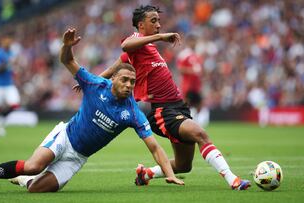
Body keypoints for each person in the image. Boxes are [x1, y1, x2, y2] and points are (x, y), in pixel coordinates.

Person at [0, 28, 184, 193]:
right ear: (114, 78)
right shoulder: (95, 84)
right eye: (124, 80)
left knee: (36, 189)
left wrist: (170, 174)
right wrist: (66, 46)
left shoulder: (133, 112)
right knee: (34, 165)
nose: (128, 85)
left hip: (78, 158)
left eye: (132, 82)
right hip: (65, 137)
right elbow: (67, 61)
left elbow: (155, 147)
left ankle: (25, 180)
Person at [97, 5, 250, 190]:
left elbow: (115, 66)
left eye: (159, 21)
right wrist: (90, 84)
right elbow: (125, 45)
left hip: (179, 107)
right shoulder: (137, 41)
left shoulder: (145, 48)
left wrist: (94, 81)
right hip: (163, 111)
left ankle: (146, 173)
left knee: (184, 165)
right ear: (140, 25)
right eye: (153, 21)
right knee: (200, 134)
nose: (158, 25)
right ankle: (233, 180)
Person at [176, 34, 209, 127]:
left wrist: (202, 74)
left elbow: (200, 70)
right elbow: (180, 69)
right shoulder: (184, 54)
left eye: (195, 41)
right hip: (188, 85)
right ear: (188, 42)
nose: (194, 43)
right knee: (187, 105)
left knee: (199, 105)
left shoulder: (197, 55)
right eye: (192, 41)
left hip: (196, 85)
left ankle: (195, 122)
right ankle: (183, 122)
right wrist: (192, 71)